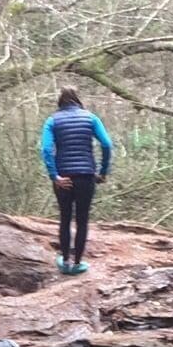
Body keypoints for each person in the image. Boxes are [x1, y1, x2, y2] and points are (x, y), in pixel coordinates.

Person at [39, 87, 114, 275]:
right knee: (82, 220)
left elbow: (46, 150)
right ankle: (78, 263)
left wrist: (54, 176)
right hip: (86, 175)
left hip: (63, 177)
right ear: (77, 99)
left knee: (65, 218)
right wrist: (103, 171)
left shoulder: (52, 120)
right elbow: (106, 144)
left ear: (60, 101)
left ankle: (65, 262)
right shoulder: (90, 118)